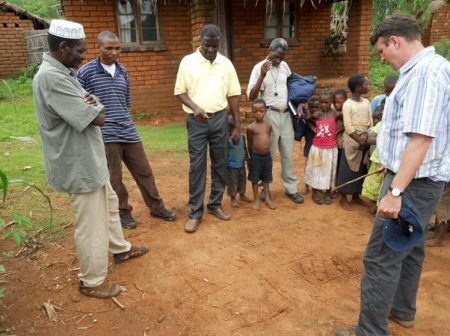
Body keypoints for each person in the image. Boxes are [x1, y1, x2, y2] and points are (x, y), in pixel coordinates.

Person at [335, 14, 449, 336]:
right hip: (420, 181)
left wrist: (395, 192)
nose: (381, 58)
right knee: (410, 248)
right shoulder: (430, 70)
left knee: (381, 258)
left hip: (411, 183)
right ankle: (403, 311)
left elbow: (421, 139)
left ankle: (369, 331)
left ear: (395, 41)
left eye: (382, 51)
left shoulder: (424, 75)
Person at [33, 20, 148, 299]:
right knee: (91, 224)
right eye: (80, 51)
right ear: (63, 47)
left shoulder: (64, 71)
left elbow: (93, 104)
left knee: (109, 206)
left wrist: (92, 100)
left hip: (90, 159)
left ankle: (119, 249)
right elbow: (98, 117)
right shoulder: (52, 77)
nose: (84, 56)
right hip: (78, 164)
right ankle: (92, 281)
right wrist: (94, 103)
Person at [77, 31, 176, 230]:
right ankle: (122, 212)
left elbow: (126, 102)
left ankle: (156, 207)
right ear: (99, 48)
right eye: (109, 48)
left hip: (128, 129)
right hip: (105, 132)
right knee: (115, 177)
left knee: (144, 171)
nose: (114, 52)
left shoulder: (123, 71)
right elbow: (78, 102)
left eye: (117, 48)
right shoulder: (86, 72)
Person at [174, 24, 242, 234]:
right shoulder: (188, 62)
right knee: (197, 166)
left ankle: (215, 204)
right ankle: (195, 212)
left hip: (220, 119)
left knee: (220, 163)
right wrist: (195, 107)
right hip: (197, 122)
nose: (211, 50)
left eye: (215, 46)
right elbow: (179, 91)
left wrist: (238, 126)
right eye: (207, 46)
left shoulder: (226, 64)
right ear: (200, 42)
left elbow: (234, 96)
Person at [247, 38, 304, 204]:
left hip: (286, 114)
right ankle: (265, 189)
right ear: (269, 49)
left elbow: (293, 87)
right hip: (269, 115)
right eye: (276, 55)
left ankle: (291, 189)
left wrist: (298, 104)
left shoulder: (285, 67)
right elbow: (251, 96)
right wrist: (262, 76)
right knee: (268, 153)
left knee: (287, 153)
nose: (279, 60)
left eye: (282, 56)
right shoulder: (259, 68)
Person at [336, 74, 373, 211]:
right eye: (366, 84)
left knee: (361, 168)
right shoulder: (348, 104)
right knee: (348, 168)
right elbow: (348, 127)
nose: (369, 86)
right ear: (358, 87)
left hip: (364, 138)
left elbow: (370, 121)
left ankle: (356, 195)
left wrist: (368, 136)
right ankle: (343, 197)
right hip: (352, 140)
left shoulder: (366, 102)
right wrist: (359, 141)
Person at [304, 89, 338, 205]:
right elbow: (307, 120)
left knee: (329, 170)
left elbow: (345, 121)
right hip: (317, 148)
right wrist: (312, 124)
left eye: (326, 102)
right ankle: (315, 192)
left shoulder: (335, 114)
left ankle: (328, 192)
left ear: (332, 102)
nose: (324, 105)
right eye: (321, 102)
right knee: (316, 169)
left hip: (331, 148)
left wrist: (338, 131)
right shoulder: (316, 115)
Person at [247, 99, 276, 210]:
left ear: (265, 111)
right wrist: (250, 157)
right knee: (255, 179)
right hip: (255, 157)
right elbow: (249, 143)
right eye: (256, 111)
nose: (258, 113)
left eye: (261, 111)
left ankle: (268, 197)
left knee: (266, 178)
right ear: (252, 111)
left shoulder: (268, 126)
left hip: (267, 156)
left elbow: (268, 138)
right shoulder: (251, 127)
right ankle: (256, 199)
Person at [361, 100, 386, 214]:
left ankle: (379, 213)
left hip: (390, 164)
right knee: (373, 185)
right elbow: (370, 138)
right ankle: (375, 207)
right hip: (377, 160)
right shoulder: (381, 124)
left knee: (384, 188)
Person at [226, 115, 252, 208]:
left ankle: (242, 194)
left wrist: (248, 161)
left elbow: (245, 149)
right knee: (232, 182)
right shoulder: (227, 140)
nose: (233, 132)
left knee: (242, 180)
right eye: (230, 130)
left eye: (235, 129)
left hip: (241, 164)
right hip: (231, 166)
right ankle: (233, 198)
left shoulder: (242, 137)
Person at [301, 96, 320, 195]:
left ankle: (318, 186)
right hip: (309, 148)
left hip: (321, 148)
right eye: (312, 108)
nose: (315, 110)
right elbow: (301, 133)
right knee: (308, 168)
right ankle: (306, 185)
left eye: (317, 108)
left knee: (319, 167)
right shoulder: (306, 120)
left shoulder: (323, 120)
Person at [332, 88, 348, 198]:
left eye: (340, 102)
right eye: (335, 102)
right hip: (334, 144)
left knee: (342, 167)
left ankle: (340, 186)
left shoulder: (347, 109)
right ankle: (334, 186)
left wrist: (338, 130)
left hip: (343, 143)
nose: (337, 104)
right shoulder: (332, 109)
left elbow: (347, 124)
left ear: (346, 101)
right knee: (335, 165)